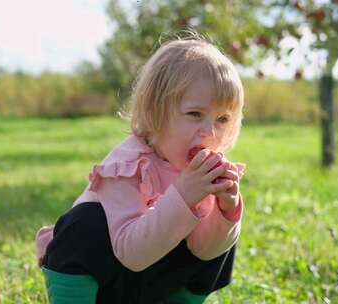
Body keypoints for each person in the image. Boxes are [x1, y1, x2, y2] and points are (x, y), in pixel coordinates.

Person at [35, 35, 246, 304]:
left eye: (223, 119)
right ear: (155, 110)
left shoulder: (202, 173)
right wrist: (183, 195)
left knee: (225, 228)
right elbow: (132, 254)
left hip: (151, 284)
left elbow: (204, 252)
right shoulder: (127, 166)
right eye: (194, 114)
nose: (209, 132)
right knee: (83, 222)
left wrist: (226, 212)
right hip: (107, 284)